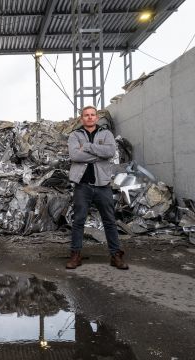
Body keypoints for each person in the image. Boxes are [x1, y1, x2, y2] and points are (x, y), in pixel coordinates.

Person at [66, 105, 128, 270]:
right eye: (86, 115)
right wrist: (98, 155)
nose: (90, 117)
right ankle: (75, 255)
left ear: (97, 117)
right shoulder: (75, 135)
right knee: (78, 221)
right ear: (82, 118)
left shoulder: (106, 134)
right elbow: (74, 155)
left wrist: (86, 147)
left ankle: (115, 256)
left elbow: (110, 152)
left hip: (103, 185)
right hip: (82, 186)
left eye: (92, 115)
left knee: (109, 221)